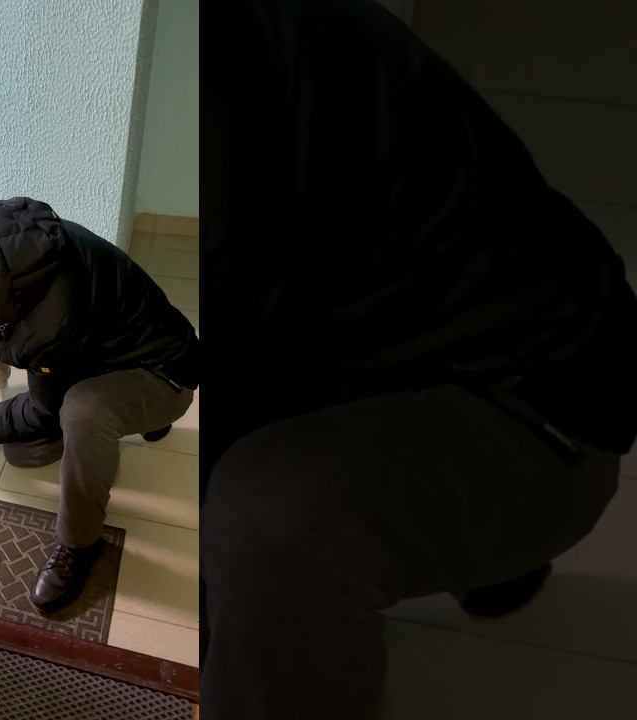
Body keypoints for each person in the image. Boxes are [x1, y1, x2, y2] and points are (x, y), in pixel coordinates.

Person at [204, 0, 637, 717]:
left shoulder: (231, 84)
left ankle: (493, 540)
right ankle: (493, 565)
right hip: (402, 345)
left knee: (262, 524)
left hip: (549, 404)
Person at [0, 201, 199, 610]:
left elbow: (44, 411)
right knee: (25, 451)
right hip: (111, 347)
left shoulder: (49, 321)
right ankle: (139, 418)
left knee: (80, 412)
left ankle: (80, 545)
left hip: (165, 374)